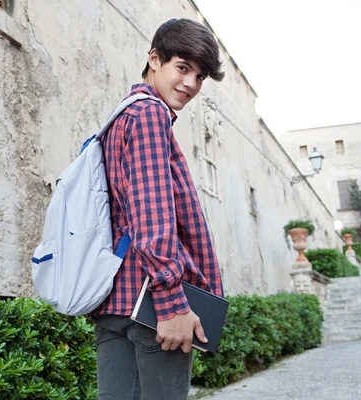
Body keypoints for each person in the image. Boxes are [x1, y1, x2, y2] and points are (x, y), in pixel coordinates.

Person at [90, 19, 225, 400]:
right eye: (183, 68)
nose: (191, 85)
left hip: (115, 304)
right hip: (153, 307)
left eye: (200, 77)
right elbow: (152, 216)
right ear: (154, 59)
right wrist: (171, 303)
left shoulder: (122, 115)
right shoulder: (150, 116)